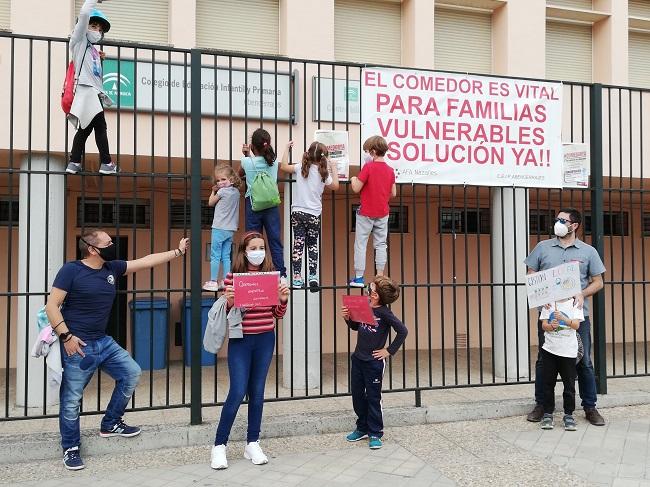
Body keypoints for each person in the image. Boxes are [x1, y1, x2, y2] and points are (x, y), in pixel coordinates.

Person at [45, 229, 189, 470]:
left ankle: (111, 423)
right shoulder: (71, 270)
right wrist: (66, 336)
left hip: (103, 341)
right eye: (108, 242)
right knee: (71, 400)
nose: (113, 245)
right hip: (79, 345)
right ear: (92, 249)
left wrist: (177, 252)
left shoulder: (110, 268)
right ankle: (70, 447)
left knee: (131, 372)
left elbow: (145, 261)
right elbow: (52, 306)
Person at [211, 231, 289, 470]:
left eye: (261, 247)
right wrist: (230, 301)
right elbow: (226, 315)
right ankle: (219, 445)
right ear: (244, 251)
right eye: (253, 248)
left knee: (257, 392)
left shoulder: (272, 277)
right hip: (241, 341)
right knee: (237, 391)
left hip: (265, 339)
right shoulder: (232, 277)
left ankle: (252, 442)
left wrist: (283, 300)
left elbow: (276, 315)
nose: (258, 252)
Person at [525, 208, 606, 426]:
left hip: (578, 317)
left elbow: (598, 281)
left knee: (583, 362)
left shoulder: (588, 251)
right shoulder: (542, 248)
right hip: (549, 314)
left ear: (575, 225)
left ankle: (590, 407)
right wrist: (540, 293)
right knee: (545, 361)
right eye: (557, 220)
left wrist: (582, 292)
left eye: (563, 220)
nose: (558, 223)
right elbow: (531, 275)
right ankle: (541, 405)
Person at [341, 275, 408, 450]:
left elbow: (402, 331)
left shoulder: (385, 313)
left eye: (371, 287)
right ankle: (362, 427)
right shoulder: (365, 305)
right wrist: (348, 318)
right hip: (358, 359)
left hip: (374, 363)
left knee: (373, 397)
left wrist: (388, 350)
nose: (368, 288)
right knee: (357, 395)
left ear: (375, 295)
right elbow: (357, 326)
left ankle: (375, 432)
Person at [66, 0, 118, 176]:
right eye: (93, 26)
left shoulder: (93, 50)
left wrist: (100, 59)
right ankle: (106, 162)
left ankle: (74, 162)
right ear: (84, 27)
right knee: (100, 127)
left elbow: (94, 75)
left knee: (86, 128)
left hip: (92, 93)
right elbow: (84, 13)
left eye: (99, 28)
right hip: (87, 92)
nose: (96, 30)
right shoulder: (79, 40)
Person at [280, 140, 339, 290]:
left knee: (298, 245)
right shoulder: (323, 173)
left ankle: (297, 278)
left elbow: (283, 166)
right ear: (322, 158)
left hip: (298, 212)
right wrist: (333, 168)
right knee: (312, 245)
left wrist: (287, 148)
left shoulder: (301, 168)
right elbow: (335, 186)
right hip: (313, 214)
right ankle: (313, 276)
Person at [349, 136, 396, 287]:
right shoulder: (390, 170)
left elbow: (356, 188)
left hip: (366, 213)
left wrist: (353, 178)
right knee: (381, 244)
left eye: (367, 151)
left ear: (374, 152)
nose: (366, 154)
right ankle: (380, 275)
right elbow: (393, 193)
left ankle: (359, 277)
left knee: (361, 244)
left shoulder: (368, 168)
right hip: (383, 212)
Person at [240, 128, 286, 278]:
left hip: (253, 205)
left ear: (253, 146)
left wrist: (247, 154)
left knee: (253, 241)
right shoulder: (274, 163)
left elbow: (240, 173)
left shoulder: (246, 162)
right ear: (268, 144)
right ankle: (281, 275)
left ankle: (254, 274)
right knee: (275, 241)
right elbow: (264, 160)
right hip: (272, 205)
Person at [538, 298, 584, 431]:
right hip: (550, 349)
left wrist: (564, 318)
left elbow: (576, 325)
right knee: (548, 383)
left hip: (568, 351)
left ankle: (568, 414)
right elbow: (543, 326)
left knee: (569, 385)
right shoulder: (548, 303)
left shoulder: (576, 303)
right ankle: (548, 413)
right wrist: (551, 326)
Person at [203, 164, 242, 292]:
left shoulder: (221, 191)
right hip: (230, 229)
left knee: (215, 255)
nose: (220, 182)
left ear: (231, 179)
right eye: (218, 180)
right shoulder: (236, 192)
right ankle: (226, 281)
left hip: (219, 227)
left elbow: (210, 202)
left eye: (223, 179)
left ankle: (213, 281)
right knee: (226, 256)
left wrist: (213, 191)